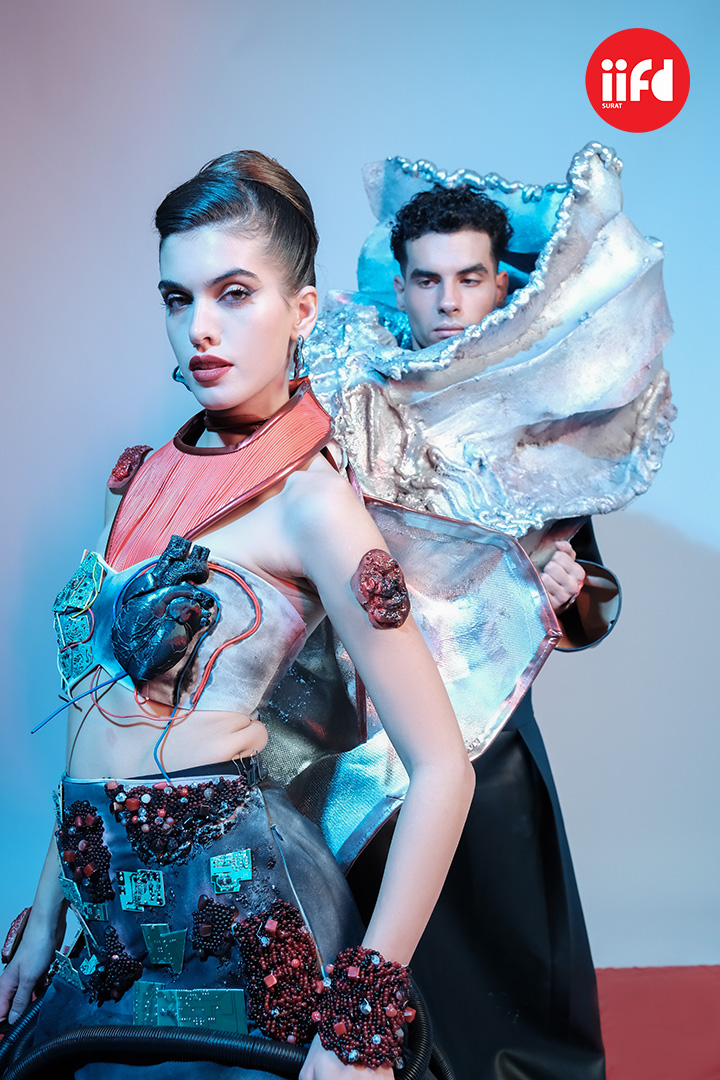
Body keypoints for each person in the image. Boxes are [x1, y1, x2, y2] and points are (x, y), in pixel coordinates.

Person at [0, 153, 476, 1080]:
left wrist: (361, 1016)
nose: (201, 328)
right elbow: (96, 709)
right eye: (178, 299)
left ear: (302, 310)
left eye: (234, 294)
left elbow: (442, 768)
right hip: (109, 917)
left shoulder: (312, 504)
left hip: (248, 921)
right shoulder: (141, 479)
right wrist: (45, 917)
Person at [348, 183, 616, 1080]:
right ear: (400, 285)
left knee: (514, 953)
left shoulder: (540, 421)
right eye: (428, 280)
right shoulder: (356, 403)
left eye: (469, 278)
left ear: (503, 283)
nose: (449, 301)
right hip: (370, 734)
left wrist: (565, 588)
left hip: (493, 735)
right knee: (387, 950)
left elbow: (592, 599)